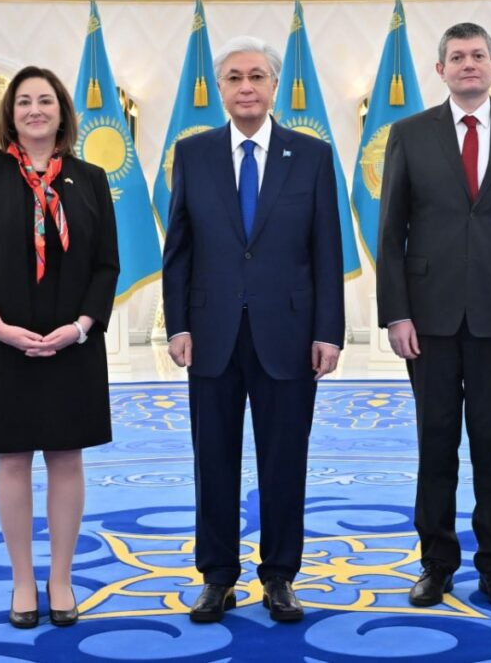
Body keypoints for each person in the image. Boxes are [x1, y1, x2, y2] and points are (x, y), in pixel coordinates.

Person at [162, 36, 345, 623]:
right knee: (213, 460)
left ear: (274, 85)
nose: (246, 87)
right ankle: (217, 577)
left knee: (284, 461)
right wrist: (177, 324)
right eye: (235, 78)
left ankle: (280, 576)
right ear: (220, 89)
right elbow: (179, 250)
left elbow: (327, 249)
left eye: (257, 76)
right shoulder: (192, 154)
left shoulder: (311, 155)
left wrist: (329, 331)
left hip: (289, 335)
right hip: (211, 334)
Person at [376, 23, 491, 610]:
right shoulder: (409, 134)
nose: (468, 64)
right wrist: (396, 314)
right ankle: (436, 564)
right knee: (435, 445)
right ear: (441, 71)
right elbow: (391, 234)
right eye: (457, 57)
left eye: (478, 55)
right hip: (428, 319)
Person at [0, 65, 119, 628]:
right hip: (3, 344)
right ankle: (23, 580)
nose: (34, 110)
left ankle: (61, 578)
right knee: (13, 458)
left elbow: (106, 265)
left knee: (67, 457)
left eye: (45, 100)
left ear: (62, 112)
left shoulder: (90, 178)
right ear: (11, 114)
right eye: (23, 101)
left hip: (74, 344)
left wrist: (81, 326)